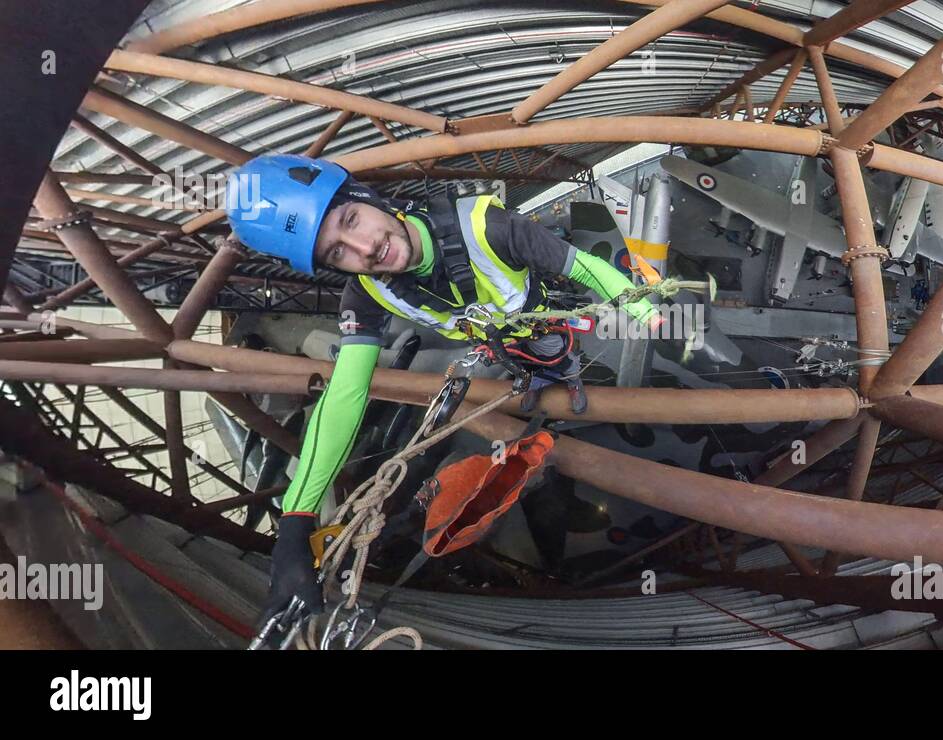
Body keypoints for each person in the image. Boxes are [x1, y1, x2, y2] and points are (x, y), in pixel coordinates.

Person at [225, 153, 659, 625]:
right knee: (530, 368)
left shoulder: (485, 226)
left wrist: (645, 312)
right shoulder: (365, 294)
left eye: (351, 220)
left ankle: (555, 371)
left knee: (555, 354)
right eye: (336, 252)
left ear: (366, 198)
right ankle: (541, 376)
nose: (363, 248)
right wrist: (295, 522)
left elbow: (586, 270)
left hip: (542, 321)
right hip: (501, 347)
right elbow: (344, 397)